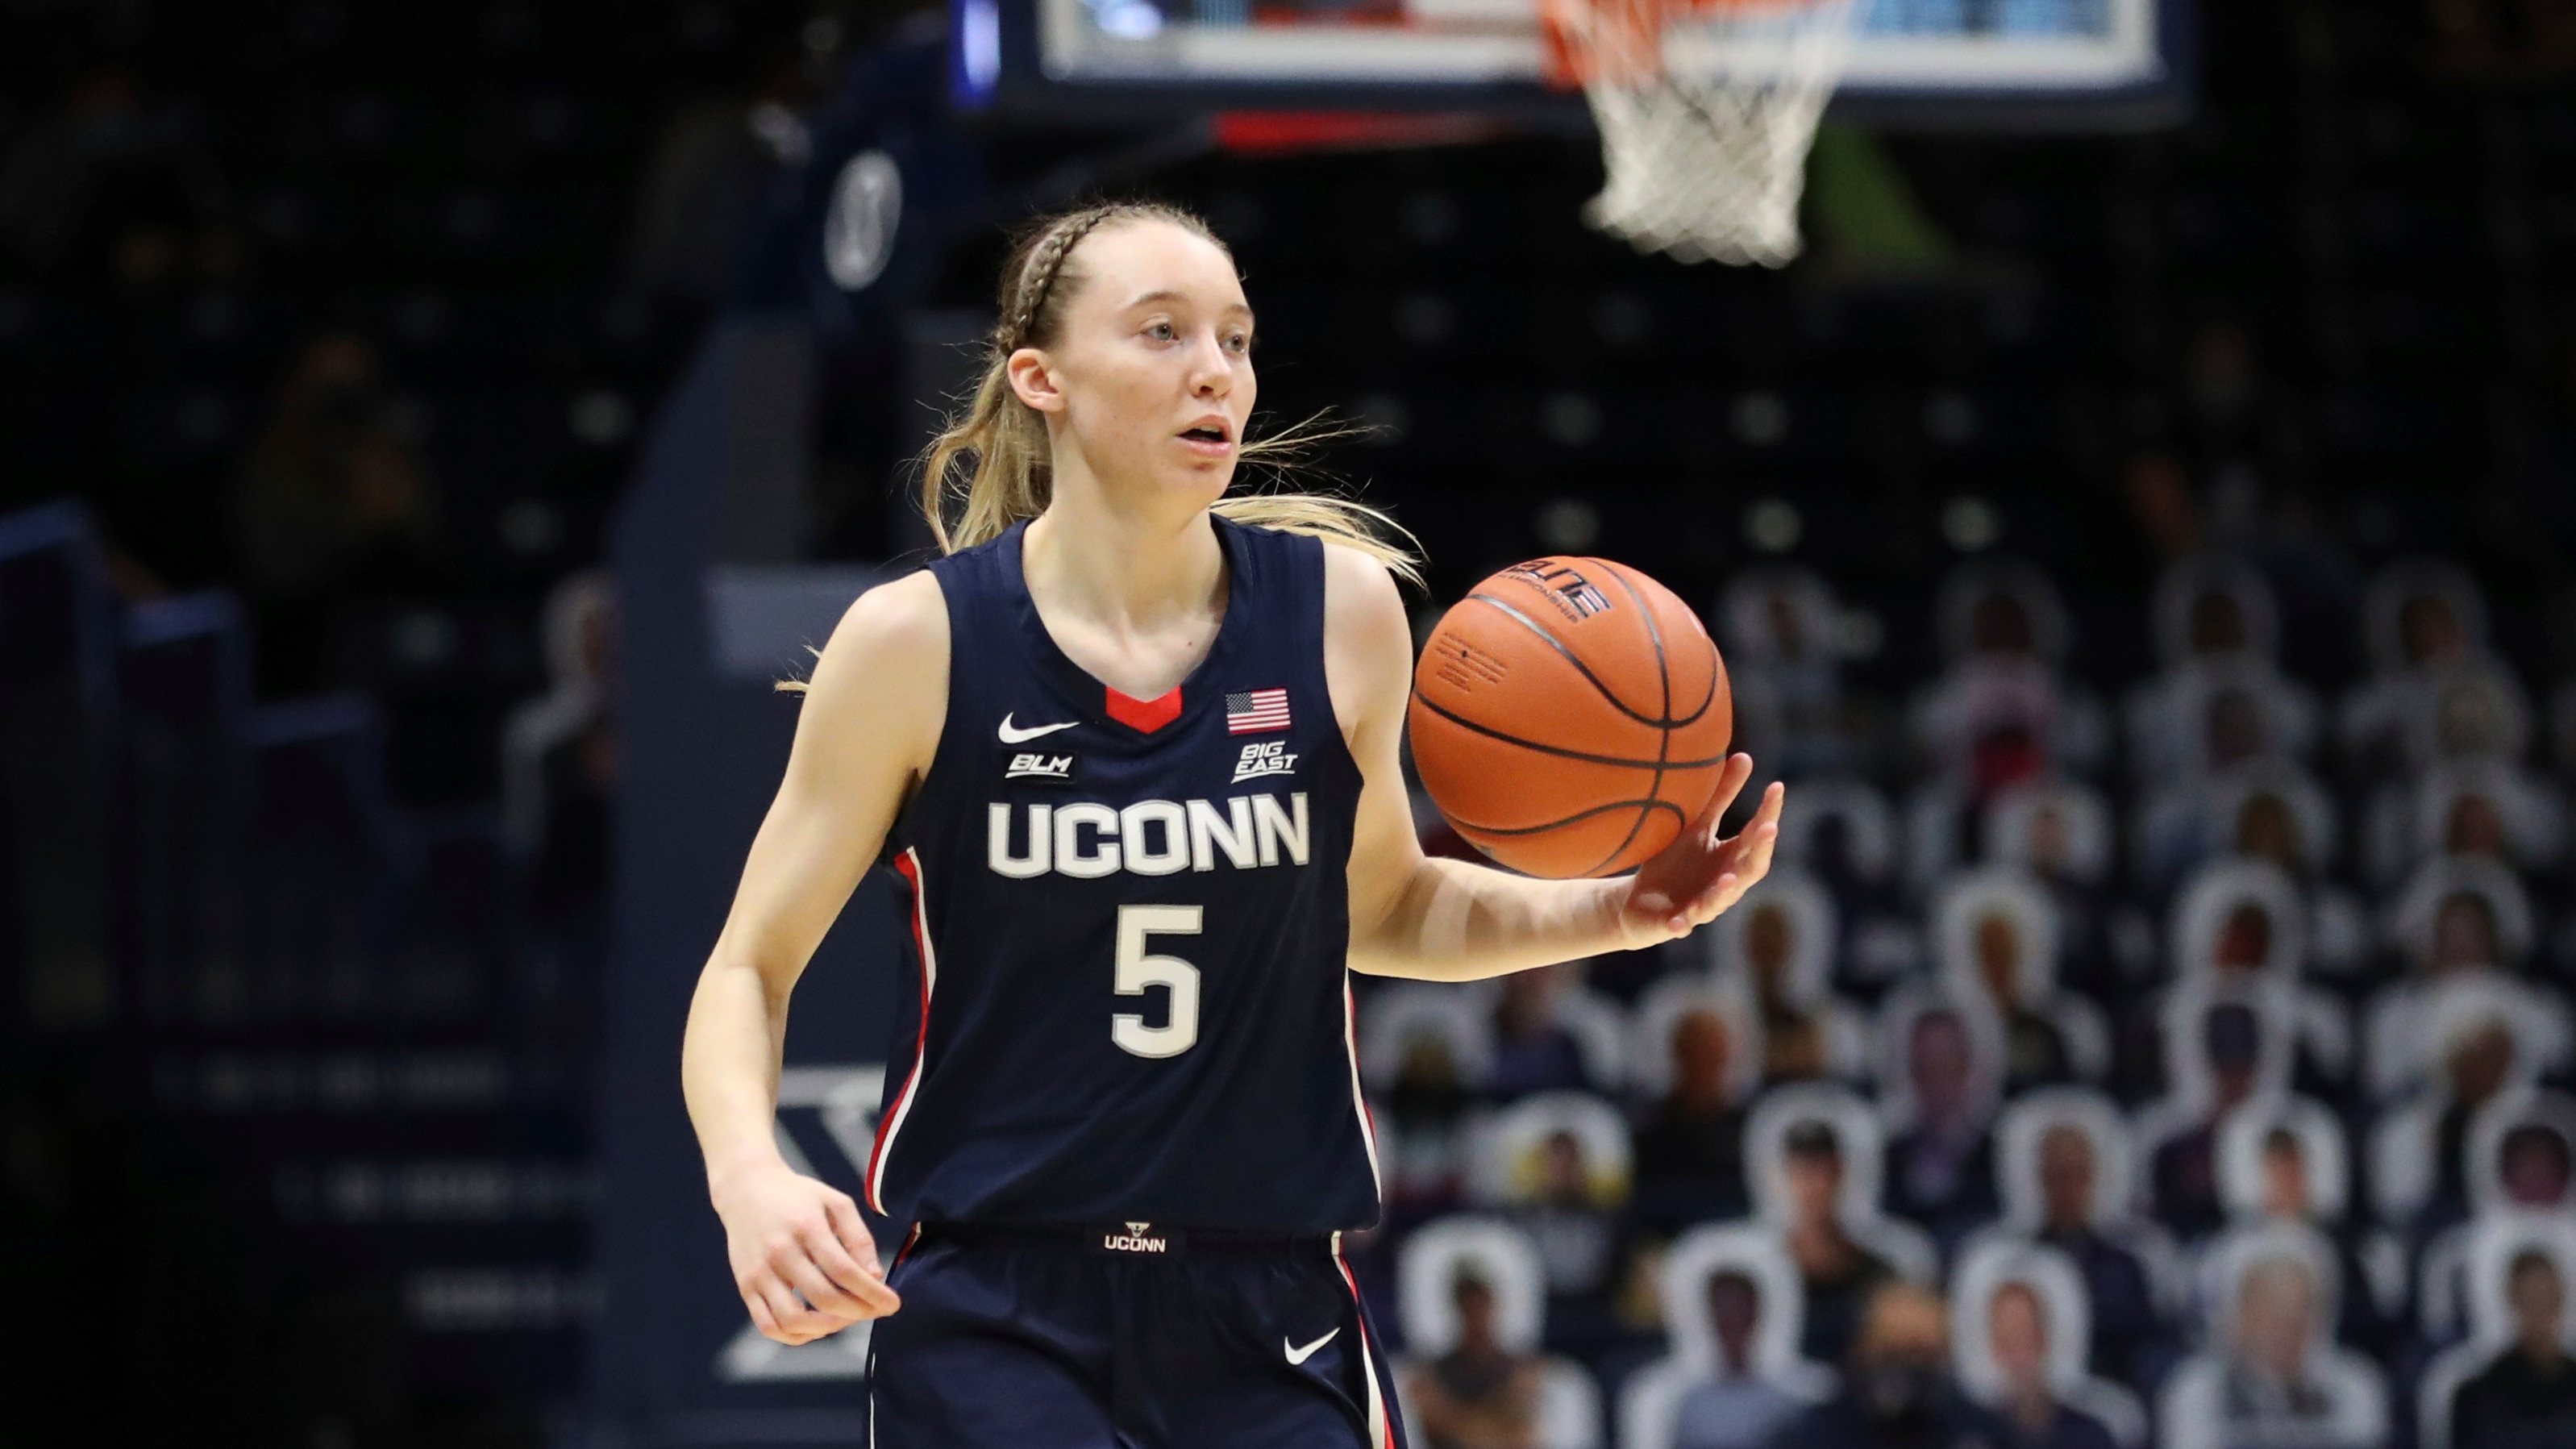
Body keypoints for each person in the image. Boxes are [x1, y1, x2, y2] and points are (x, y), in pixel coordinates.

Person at [675, 201, 1789, 1448]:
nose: (1215, 369)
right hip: (995, 1308)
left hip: (1269, 1304)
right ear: (1040, 378)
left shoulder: (1340, 614)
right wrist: (749, 1176)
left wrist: (1615, 911)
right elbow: (745, 968)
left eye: (1235, 338)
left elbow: (1384, 907)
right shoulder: (917, 644)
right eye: (1161, 332)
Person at [1761, 1282, 2016, 1449]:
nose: (1907, 1366)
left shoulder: (1975, 1433)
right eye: (1893, 1352)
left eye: (1922, 1353)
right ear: (1862, 1352)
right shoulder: (1817, 1436)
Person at [1881, 1005, 2000, 1252]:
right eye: (1926, 1065)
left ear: (1967, 1068)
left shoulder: (1999, 1158)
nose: (1936, 1078)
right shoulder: (1886, 1160)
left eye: (1946, 1063)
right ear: (1912, 1070)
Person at [1781, 1121, 1896, 1365]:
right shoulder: (1770, 1271)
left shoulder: (1876, 1272)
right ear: (1787, 1178)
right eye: (1804, 1173)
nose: (1814, 1187)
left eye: (1825, 1172)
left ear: (1841, 1175)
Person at [1402, 1270, 1545, 1449]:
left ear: (1493, 1307)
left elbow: (1523, 1436)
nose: (1476, 1315)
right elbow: (1429, 1420)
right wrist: (1495, 1420)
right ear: (1459, 1309)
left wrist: (1452, 1418)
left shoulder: (1521, 1372)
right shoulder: (1430, 1374)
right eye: (1470, 1307)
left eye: (1481, 1306)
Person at [1634, 1006, 1752, 1222]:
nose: (1704, 1064)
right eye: (1696, 1052)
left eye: (1713, 1055)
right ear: (1678, 1055)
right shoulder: (1649, 1131)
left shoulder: (1745, 1130)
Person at [1669, 1270, 1810, 1449]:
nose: (1734, 1331)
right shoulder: (1692, 1407)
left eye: (1740, 1317)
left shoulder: (1783, 1407)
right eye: (1725, 1320)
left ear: (1755, 1319)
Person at [2451, 1250, 2576, 1449]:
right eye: (2531, 1300)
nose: (2540, 1310)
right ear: (2514, 1300)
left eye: (2548, 1298)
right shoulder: (2479, 1398)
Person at [1984, 1281, 2121, 1449]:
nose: (2019, 1355)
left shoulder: (2090, 1436)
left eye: (2027, 1336)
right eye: (2008, 1341)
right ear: (1995, 1348)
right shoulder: (1975, 1436)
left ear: (2044, 1341)